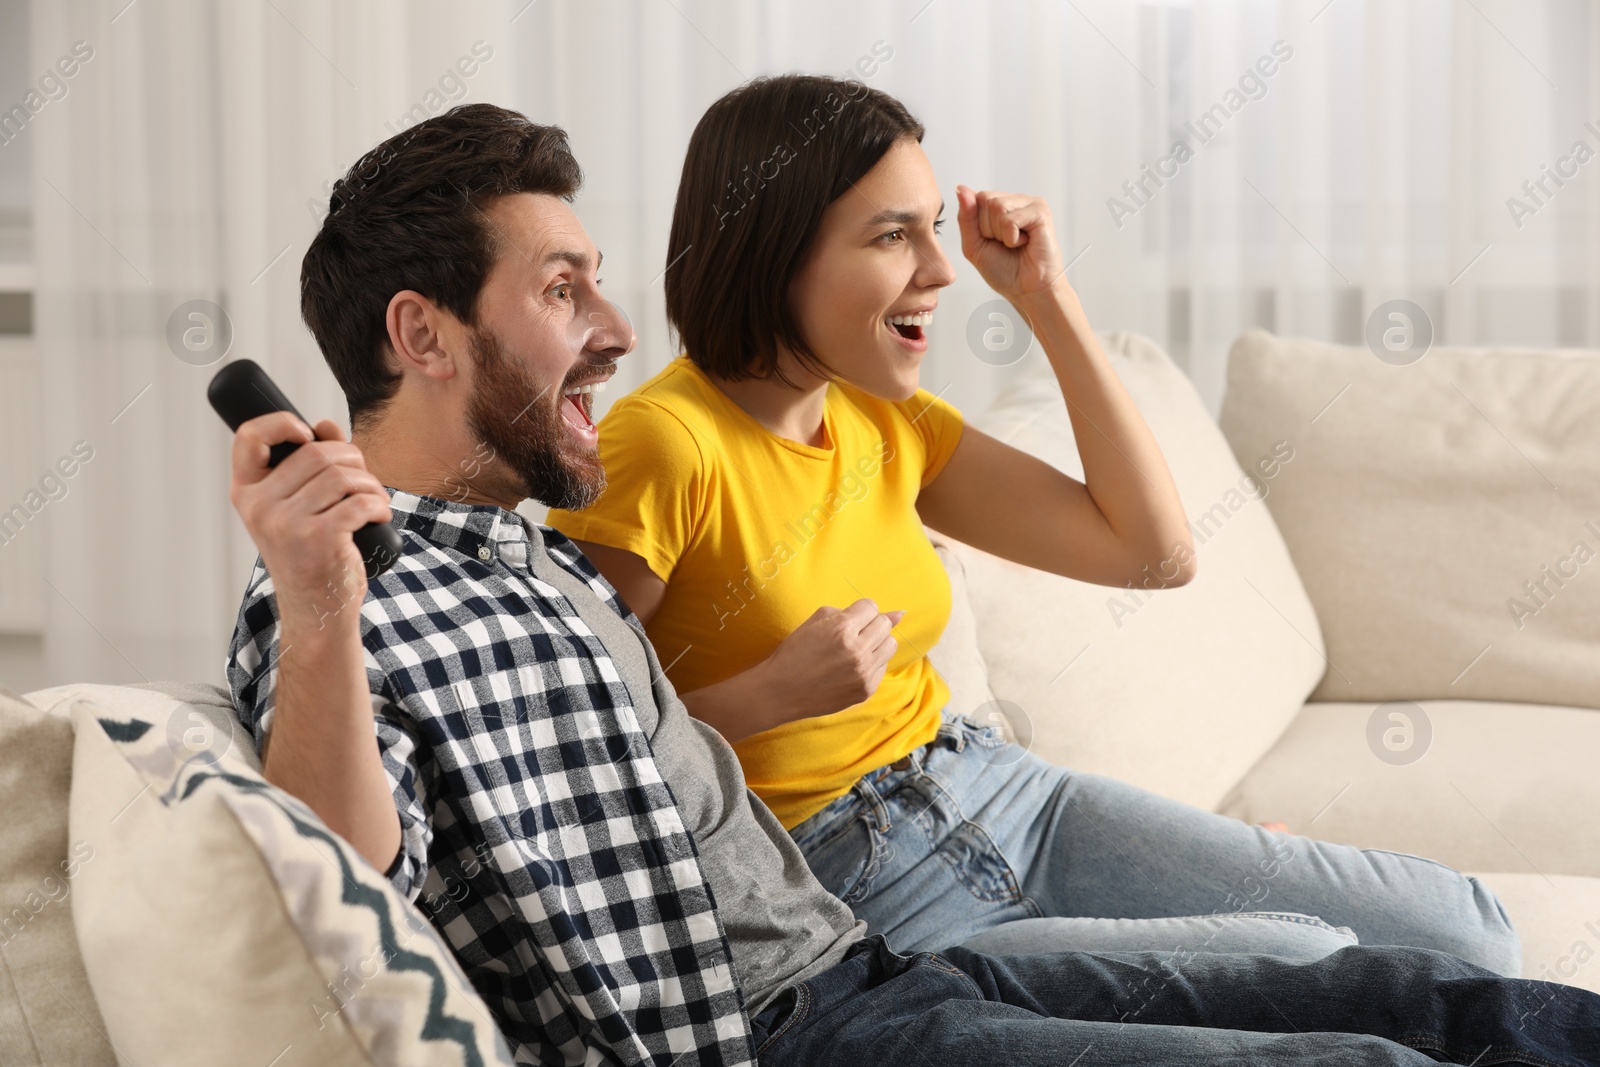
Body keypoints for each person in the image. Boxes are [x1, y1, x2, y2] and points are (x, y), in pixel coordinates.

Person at [223, 102, 1600, 1066]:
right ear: (424, 334)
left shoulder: (537, 553)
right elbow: (337, 876)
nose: (615, 324)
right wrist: (322, 598)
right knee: (1351, 1042)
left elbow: (1153, 550)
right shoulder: (345, 596)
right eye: (565, 285)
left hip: (869, 957)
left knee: (1402, 980)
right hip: (799, 1021)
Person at [544, 74, 1521, 971]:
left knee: (1461, 928)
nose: (940, 267)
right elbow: (563, 748)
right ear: (775, 250)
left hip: (1004, 790)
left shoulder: (886, 420)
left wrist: (1046, 298)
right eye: (892, 236)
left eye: (934, 227)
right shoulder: (662, 446)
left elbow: (1153, 552)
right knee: (1326, 964)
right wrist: (769, 693)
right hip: (856, 875)